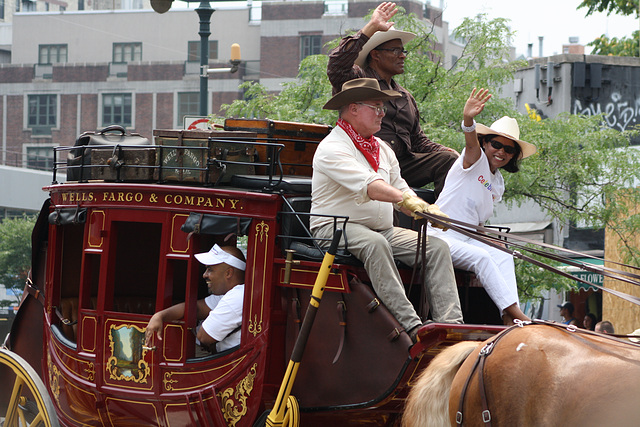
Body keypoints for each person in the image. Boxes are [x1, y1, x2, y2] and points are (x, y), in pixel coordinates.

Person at [310, 77, 464, 343]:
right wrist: (409, 203)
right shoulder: (332, 148)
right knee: (375, 244)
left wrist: (426, 210)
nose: (383, 113)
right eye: (377, 107)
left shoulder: (382, 148)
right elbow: (371, 186)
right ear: (353, 108)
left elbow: (400, 187)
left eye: (383, 107)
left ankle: (450, 328)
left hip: (381, 229)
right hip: (334, 228)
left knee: (436, 247)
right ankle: (414, 328)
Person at [426, 88, 537, 325]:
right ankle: (519, 316)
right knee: (482, 258)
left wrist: (488, 237)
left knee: (503, 253)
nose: (501, 152)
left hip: (467, 237)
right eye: (497, 144)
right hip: (440, 236)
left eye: (509, 150)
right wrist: (468, 120)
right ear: (485, 142)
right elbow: (470, 141)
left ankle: (509, 317)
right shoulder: (473, 160)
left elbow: (476, 222)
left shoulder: (498, 182)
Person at [326, 2, 458, 197]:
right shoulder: (358, 80)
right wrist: (369, 29)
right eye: (396, 51)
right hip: (366, 161)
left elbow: (417, 140)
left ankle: (441, 221)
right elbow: (336, 64)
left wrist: (444, 150)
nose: (402, 56)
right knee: (383, 153)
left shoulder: (405, 96)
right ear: (376, 55)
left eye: (403, 51)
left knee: (449, 159)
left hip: (402, 166)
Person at [145, 244, 246, 353]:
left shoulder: (237, 295)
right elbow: (196, 308)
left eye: (210, 269)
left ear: (228, 273)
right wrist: (160, 316)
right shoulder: (231, 293)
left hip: (214, 356)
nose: (205, 275)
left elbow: (203, 337)